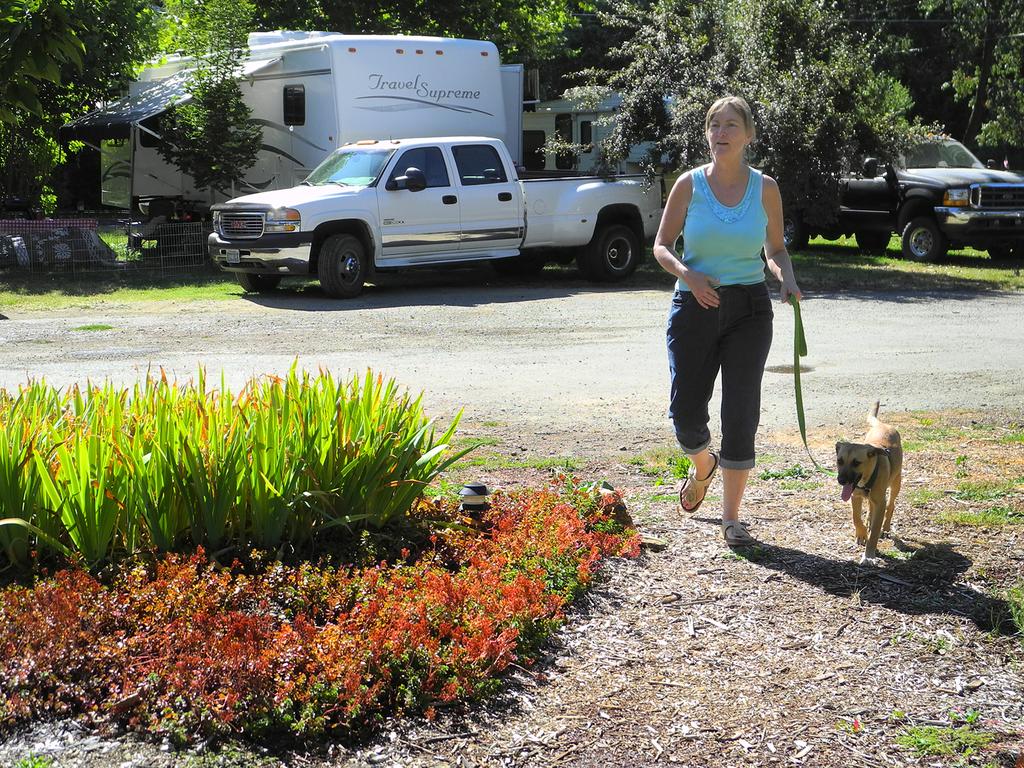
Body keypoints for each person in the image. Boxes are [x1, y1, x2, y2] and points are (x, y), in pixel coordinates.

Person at [652, 95, 802, 547]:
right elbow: (661, 245)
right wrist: (687, 274)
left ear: (749, 135)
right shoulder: (689, 185)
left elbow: (774, 250)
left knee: (740, 412)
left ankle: (731, 518)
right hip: (694, 305)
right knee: (685, 412)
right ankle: (703, 465)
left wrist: (786, 277)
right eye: (714, 125)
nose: (721, 133)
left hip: (750, 311)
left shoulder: (766, 188)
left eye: (731, 125)